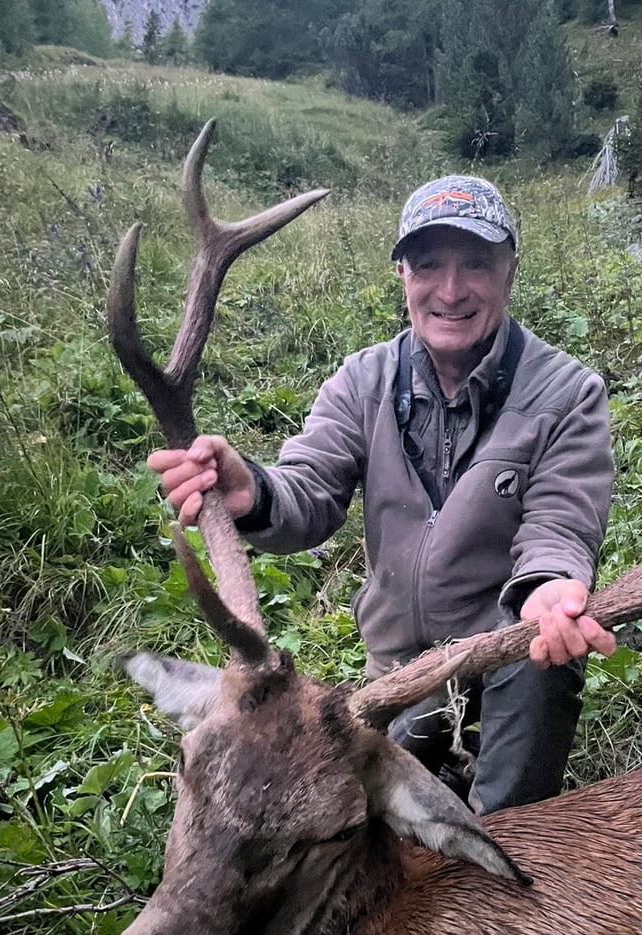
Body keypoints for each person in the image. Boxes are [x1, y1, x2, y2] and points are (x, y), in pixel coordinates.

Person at [149, 175, 616, 814]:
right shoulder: (364, 380)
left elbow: (561, 520)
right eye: (428, 265)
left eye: (476, 264)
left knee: (534, 696)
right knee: (354, 822)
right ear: (403, 275)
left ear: (509, 270)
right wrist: (251, 492)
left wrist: (550, 586)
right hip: (402, 673)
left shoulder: (566, 394)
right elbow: (307, 492)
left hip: (510, 657)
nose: (450, 291)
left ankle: (511, 827)